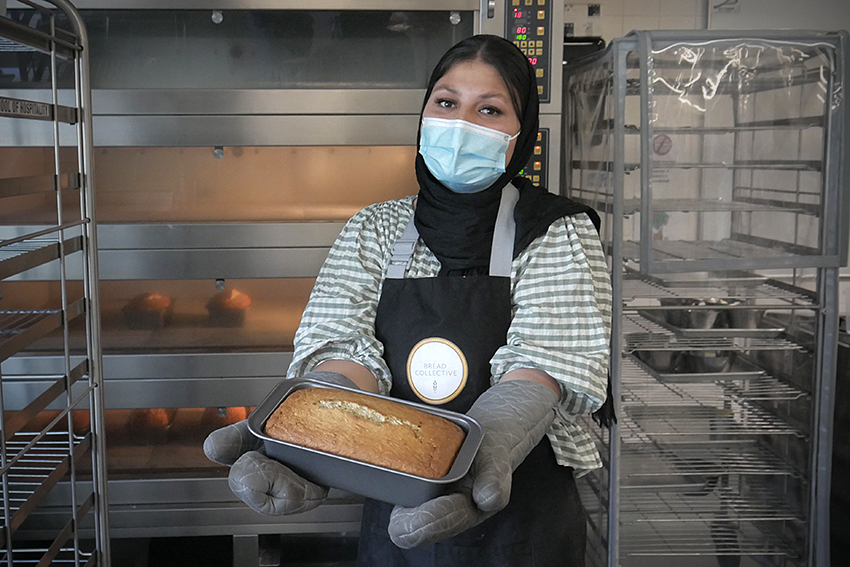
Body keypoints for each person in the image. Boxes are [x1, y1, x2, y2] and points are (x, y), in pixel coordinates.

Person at [205, 34, 612, 567]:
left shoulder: (555, 231)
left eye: (489, 109)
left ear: (522, 134)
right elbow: (344, 344)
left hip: (520, 504)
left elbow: (546, 360)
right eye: (446, 103)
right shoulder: (376, 228)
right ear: (424, 114)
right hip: (394, 503)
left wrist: (485, 452)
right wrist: (308, 430)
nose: (461, 125)